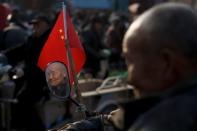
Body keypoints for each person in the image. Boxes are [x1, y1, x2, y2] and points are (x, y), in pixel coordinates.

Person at [61, 2, 197, 131]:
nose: (130, 79)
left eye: (131, 62)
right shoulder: (162, 106)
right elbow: (119, 121)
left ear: (166, 62)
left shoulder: (160, 124)